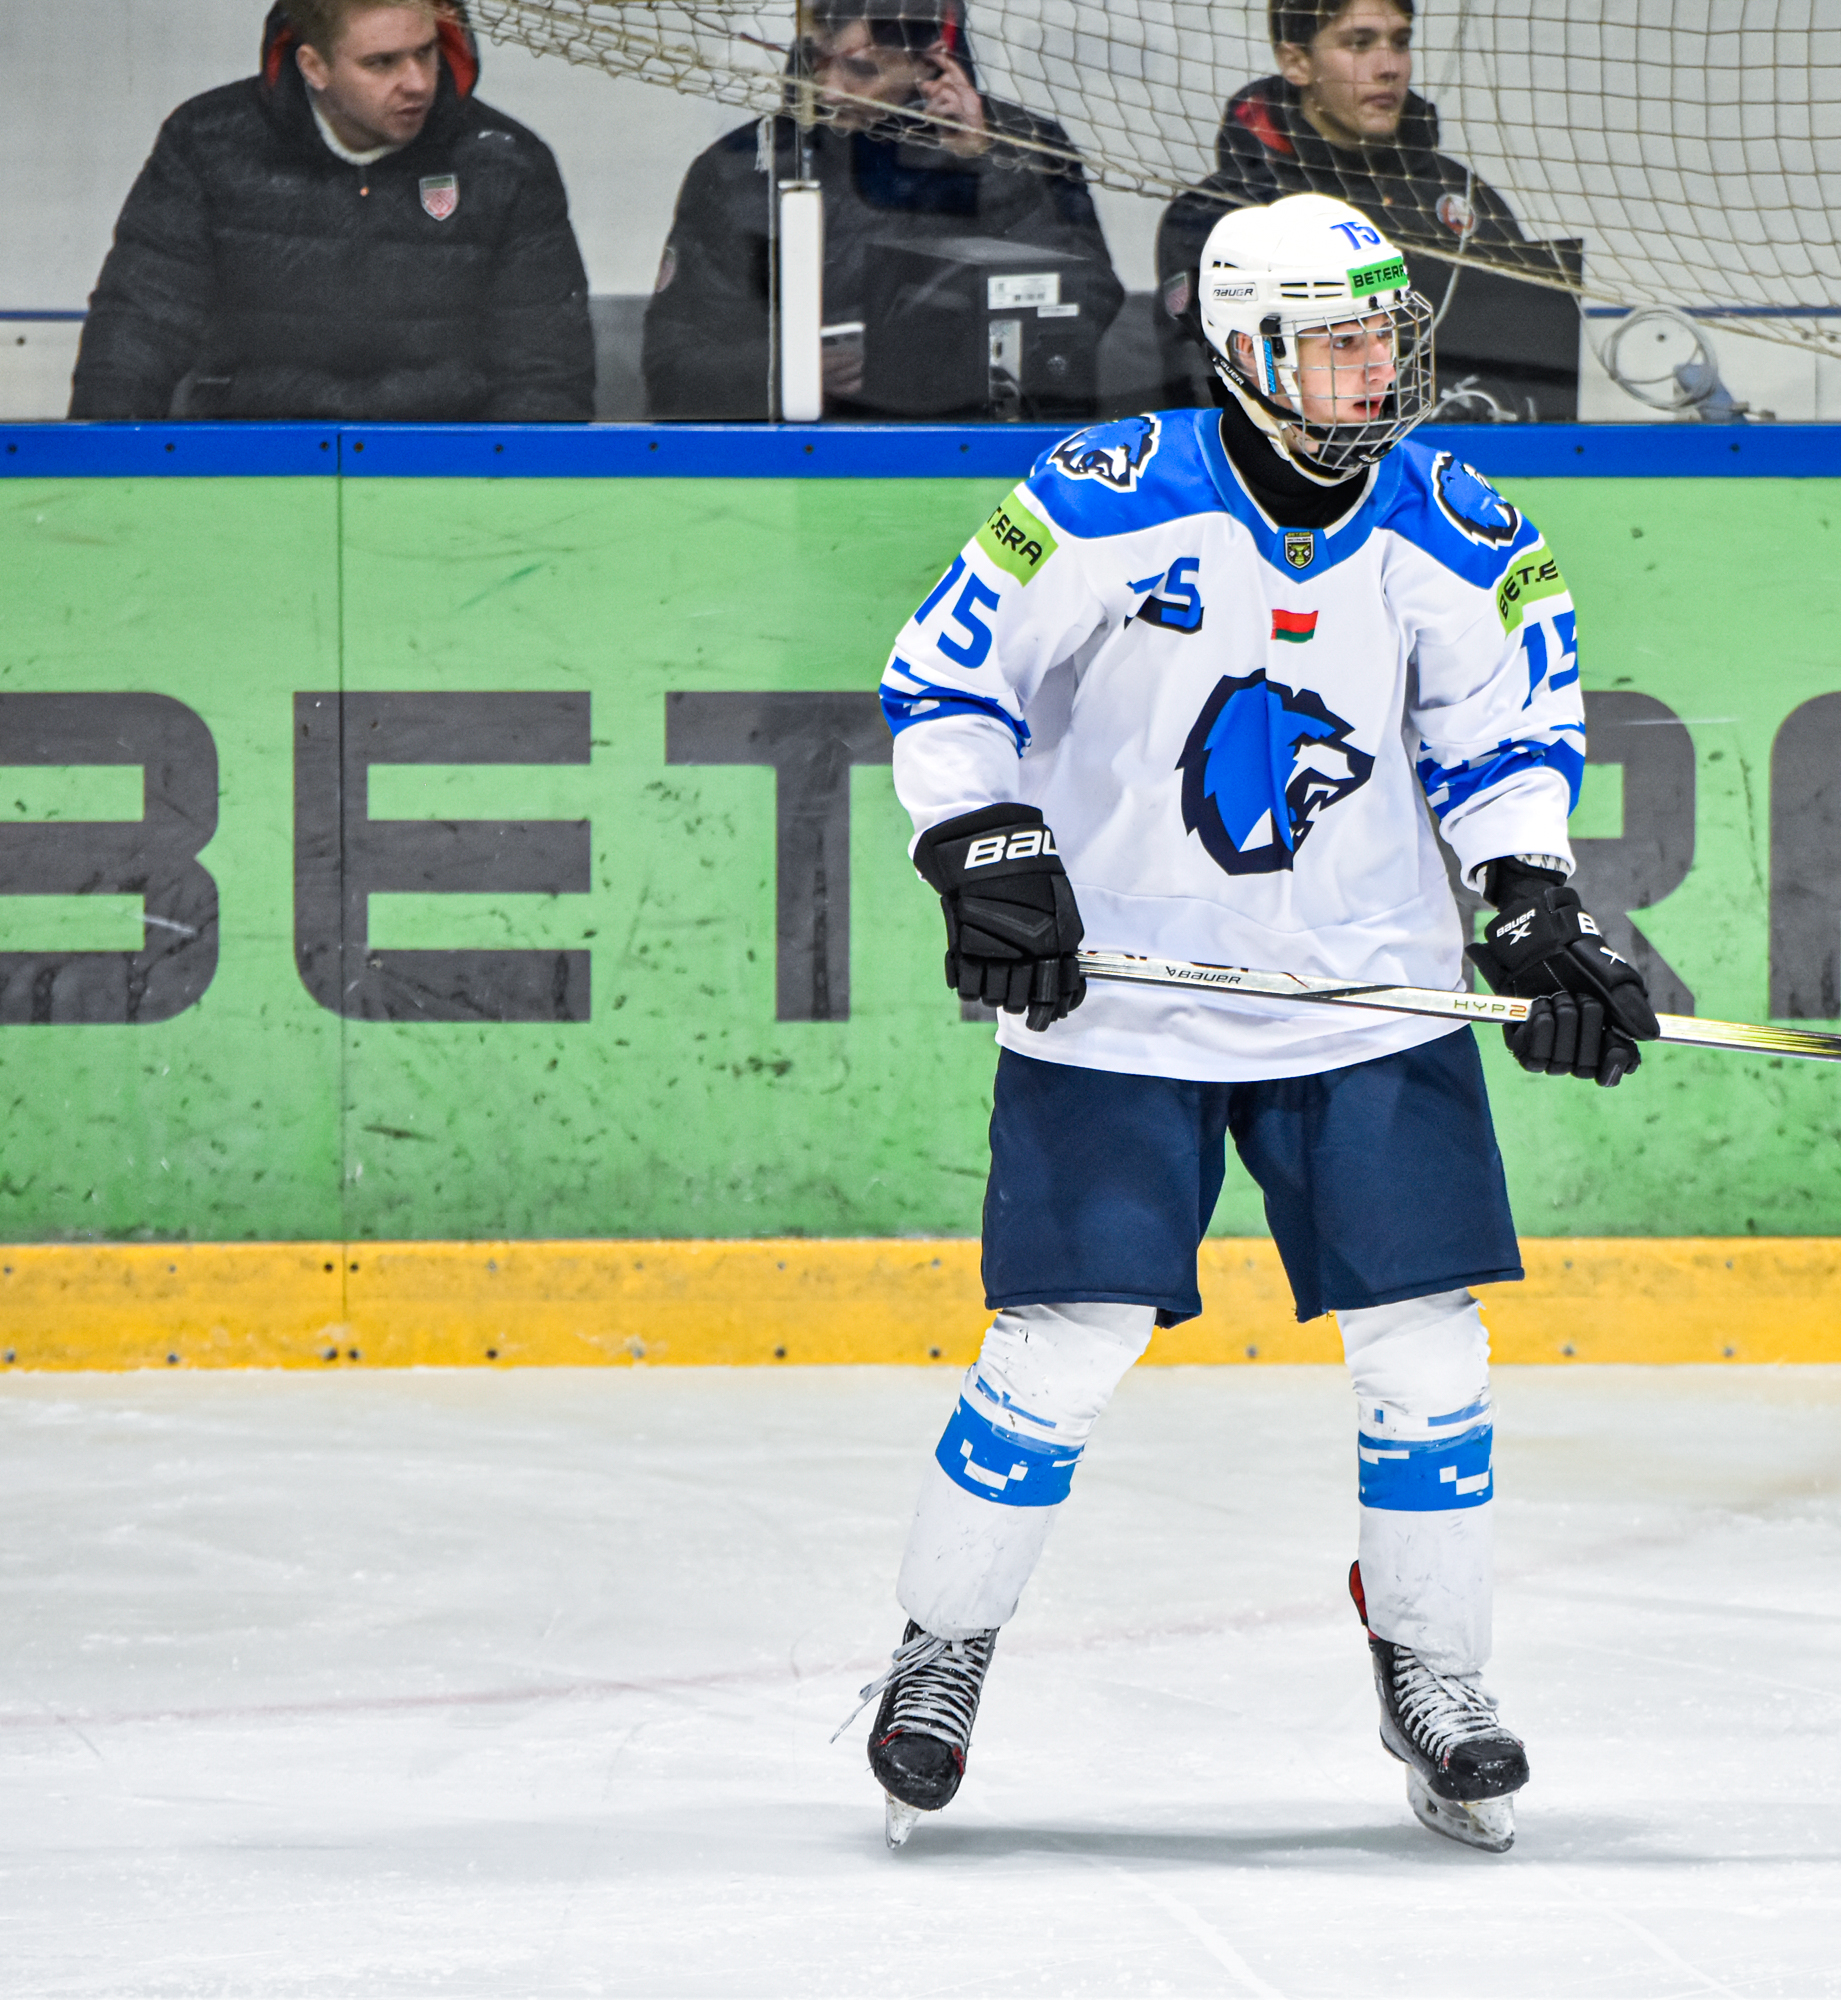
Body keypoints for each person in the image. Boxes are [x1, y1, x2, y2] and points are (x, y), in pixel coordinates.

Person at [854, 192, 1651, 1855]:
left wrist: (1530, 899)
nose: (1377, 372)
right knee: (1064, 1343)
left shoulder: (1455, 521)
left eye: (1387, 340)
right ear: (1242, 348)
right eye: (1338, 343)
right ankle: (942, 1649)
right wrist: (987, 848)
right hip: (1121, 998)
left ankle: (1434, 1673)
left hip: (1365, 995)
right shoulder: (1103, 499)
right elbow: (947, 686)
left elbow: (1509, 738)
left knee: (1428, 1348)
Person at [71, 0, 592, 422]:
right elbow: (137, 331)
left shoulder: (506, 160)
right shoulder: (206, 144)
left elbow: (545, 373)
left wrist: (512, 495)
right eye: (381, 62)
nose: (417, 81)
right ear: (314, 67)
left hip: (443, 470)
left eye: (426, 51)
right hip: (249, 465)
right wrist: (99, 479)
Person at [642, 0, 1123, 421]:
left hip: (976, 443)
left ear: (930, 64)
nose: (830, 90)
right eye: (816, 61)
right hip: (800, 455)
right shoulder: (744, 166)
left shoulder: (1024, 150)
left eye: (862, 70)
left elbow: (1083, 301)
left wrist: (985, 167)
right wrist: (787, 368)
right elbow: (672, 361)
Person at [1152, 0, 1538, 353]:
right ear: (1296, 63)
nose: (1389, 67)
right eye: (1359, 44)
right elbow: (1204, 373)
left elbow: (1531, 339)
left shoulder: (1458, 194)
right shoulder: (1224, 214)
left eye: (1401, 42)